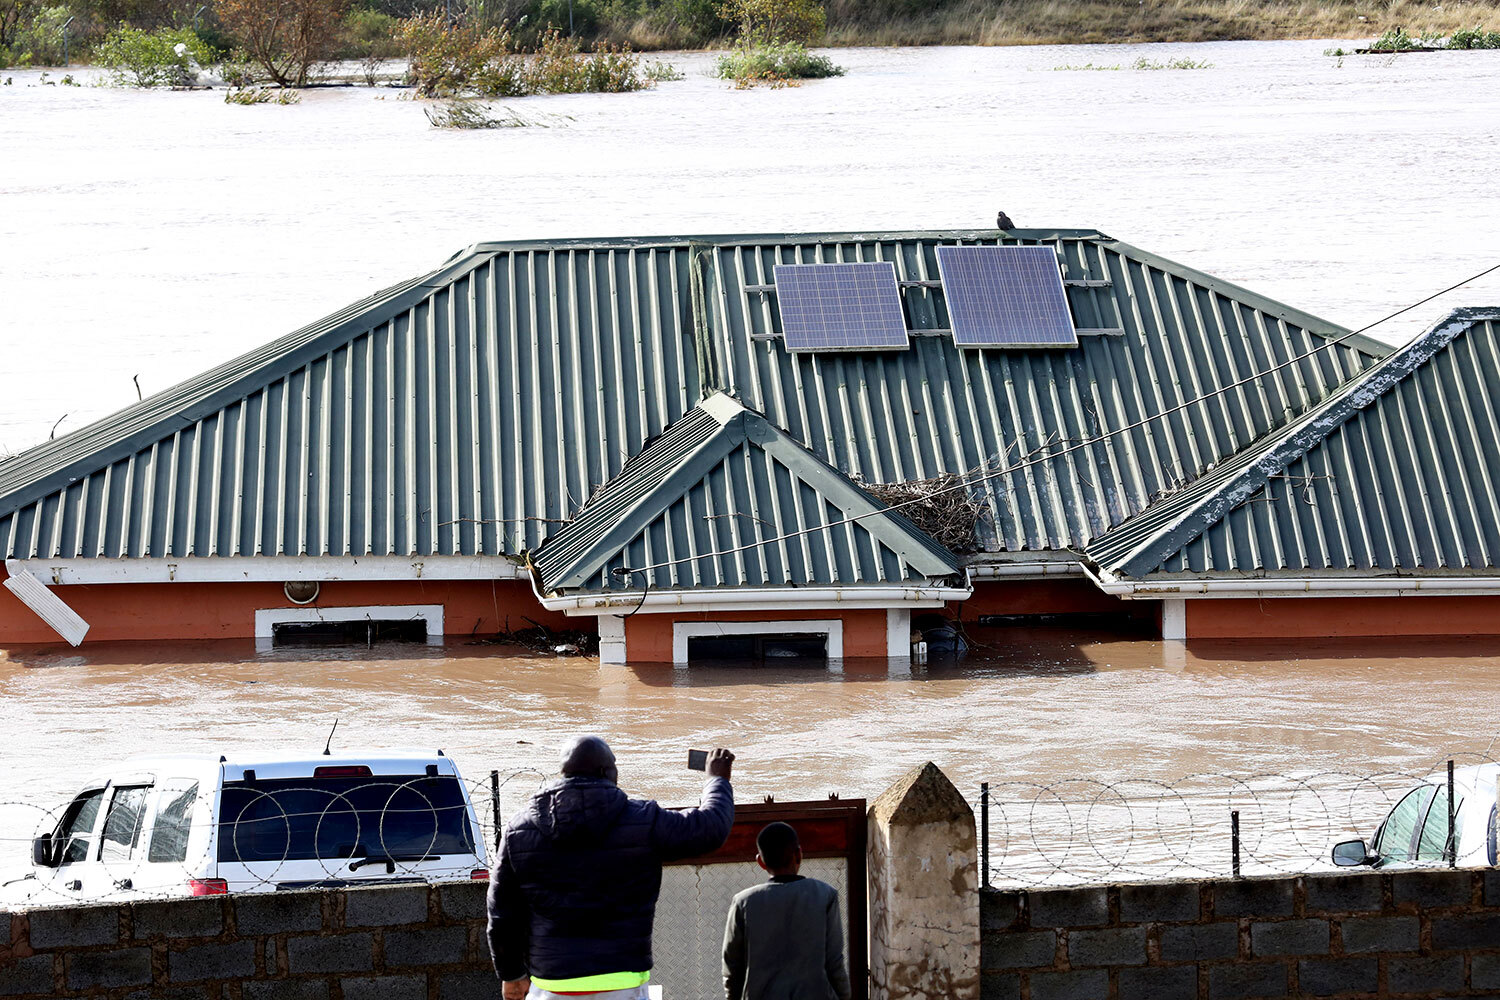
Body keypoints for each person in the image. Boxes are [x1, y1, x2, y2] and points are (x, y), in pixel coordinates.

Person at [488, 736, 735, 1000]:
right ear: (608, 773)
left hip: (552, 983)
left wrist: (512, 974)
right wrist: (716, 780)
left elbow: (502, 911)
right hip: (622, 982)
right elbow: (710, 827)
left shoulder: (519, 829)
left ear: (564, 773)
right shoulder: (643, 821)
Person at [722, 821, 851, 1000]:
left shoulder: (744, 902)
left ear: (760, 861)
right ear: (798, 855)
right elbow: (834, 963)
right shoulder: (824, 895)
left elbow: (732, 969)